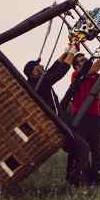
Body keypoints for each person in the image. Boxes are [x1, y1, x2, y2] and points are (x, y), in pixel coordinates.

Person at [23, 44, 90, 186]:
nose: (41, 67)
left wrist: (66, 51)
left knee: (75, 149)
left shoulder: (37, 81)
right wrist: (72, 52)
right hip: (55, 125)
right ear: (33, 73)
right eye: (38, 67)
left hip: (57, 122)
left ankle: (71, 180)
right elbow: (60, 72)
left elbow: (54, 67)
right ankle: (77, 182)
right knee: (83, 148)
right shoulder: (38, 83)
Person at [67, 51, 100, 187]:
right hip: (80, 117)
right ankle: (80, 179)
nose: (86, 61)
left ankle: (96, 181)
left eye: (85, 59)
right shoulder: (76, 75)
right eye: (82, 60)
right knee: (81, 151)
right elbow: (96, 67)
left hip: (95, 117)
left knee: (97, 151)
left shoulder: (94, 76)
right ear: (76, 67)